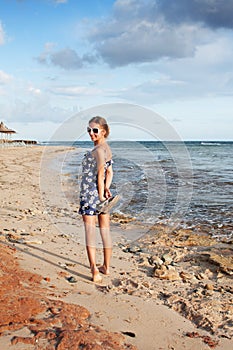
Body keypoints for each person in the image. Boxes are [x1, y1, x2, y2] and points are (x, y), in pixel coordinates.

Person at [79, 116, 117, 282]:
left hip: (90, 194)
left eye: (95, 130)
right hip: (101, 193)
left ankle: (95, 271)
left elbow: (101, 171)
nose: (91, 133)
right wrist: (106, 187)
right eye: (89, 130)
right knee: (105, 231)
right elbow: (110, 173)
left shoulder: (98, 150)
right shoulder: (106, 149)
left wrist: (100, 195)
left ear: (104, 131)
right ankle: (106, 267)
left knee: (90, 232)